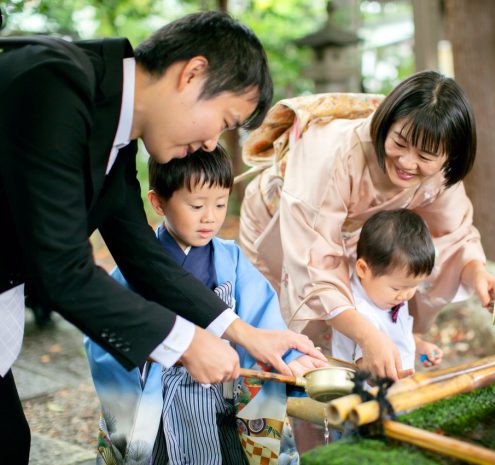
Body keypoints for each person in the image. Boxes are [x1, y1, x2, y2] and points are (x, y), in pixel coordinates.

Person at [0, 11, 323, 463]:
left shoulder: (115, 130)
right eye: (224, 120)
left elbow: (142, 256)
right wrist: (186, 343)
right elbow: (64, 271)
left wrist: (248, 335)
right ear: (192, 74)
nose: (213, 144)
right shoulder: (55, 83)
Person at [239, 71, 495, 382]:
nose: (407, 162)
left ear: (449, 158)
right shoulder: (334, 153)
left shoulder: (442, 174)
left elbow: (453, 235)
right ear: (386, 123)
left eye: (426, 156)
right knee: (295, 342)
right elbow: (313, 261)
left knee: (358, 325)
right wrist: (368, 335)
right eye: (399, 143)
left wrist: (476, 272)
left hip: (359, 240)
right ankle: (274, 425)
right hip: (284, 228)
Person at [85, 146, 318, 464]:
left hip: (224, 398)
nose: (210, 217)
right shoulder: (136, 265)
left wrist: (289, 360)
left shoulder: (231, 260)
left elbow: (263, 323)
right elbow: (106, 333)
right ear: (158, 202)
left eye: (221, 203)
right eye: (196, 205)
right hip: (159, 403)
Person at [331, 209, 443, 372]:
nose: (406, 295)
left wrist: (417, 345)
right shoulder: (360, 313)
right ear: (363, 269)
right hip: (369, 392)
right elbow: (365, 364)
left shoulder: (388, 295)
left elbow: (396, 332)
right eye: (397, 287)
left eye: (413, 286)